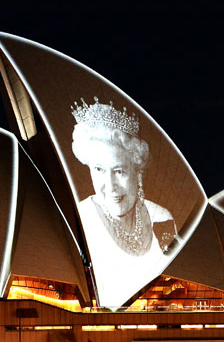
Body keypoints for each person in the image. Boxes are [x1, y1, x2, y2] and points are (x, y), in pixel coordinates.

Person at [70, 97, 178, 307]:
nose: (110, 186)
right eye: (99, 169)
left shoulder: (161, 217)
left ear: (137, 170)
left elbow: (171, 281)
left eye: (119, 171)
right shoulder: (81, 219)